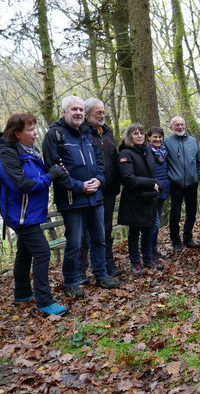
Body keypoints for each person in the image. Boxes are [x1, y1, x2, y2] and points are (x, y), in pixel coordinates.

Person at [42, 95, 120, 298]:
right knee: (75, 242)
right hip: (71, 199)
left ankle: (101, 275)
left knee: (99, 238)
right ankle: (71, 282)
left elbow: (100, 164)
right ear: (64, 112)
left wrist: (99, 181)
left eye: (80, 110)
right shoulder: (54, 135)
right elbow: (54, 168)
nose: (77, 113)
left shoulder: (87, 134)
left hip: (95, 196)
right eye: (73, 109)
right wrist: (78, 186)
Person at [0, 113, 68, 316]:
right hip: (21, 215)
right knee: (42, 252)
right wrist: (51, 175)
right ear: (17, 133)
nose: (35, 133)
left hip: (31, 213)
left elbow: (35, 176)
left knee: (24, 252)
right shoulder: (6, 155)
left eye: (35, 128)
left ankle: (22, 292)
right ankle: (44, 301)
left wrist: (50, 172)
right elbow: (23, 185)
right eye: (30, 130)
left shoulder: (29, 151)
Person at [78, 98, 123, 284]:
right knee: (87, 233)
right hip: (91, 189)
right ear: (87, 115)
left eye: (103, 111)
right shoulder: (84, 134)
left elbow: (115, 158)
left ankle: (108, 263)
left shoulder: (107, 133)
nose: (102, 115)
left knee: (107, 229)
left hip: (110, 188)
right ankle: (82, 270)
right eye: (98, 112)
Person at [118, 124, 164, 274]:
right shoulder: (125, 153)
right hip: (134, 200)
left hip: (149, 198)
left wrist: (157, 183)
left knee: (148, 229)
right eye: (135, 133)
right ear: (129, 136)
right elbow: (128, 179)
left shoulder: (147, 152)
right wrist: (152, 183)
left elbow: (152, 174)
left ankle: (148, 258)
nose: (139, 136)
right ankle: (135, 262)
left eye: (142, 133)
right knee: (134, 231)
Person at [164, 116, 200, 253]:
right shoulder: (166, 142)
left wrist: (198, 176)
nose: (180, 127)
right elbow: (163, 162)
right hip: (175, 184)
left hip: (192, 184)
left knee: (191, 213)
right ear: (171, 127)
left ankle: (188, 238)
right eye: (176, 125)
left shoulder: (193, 141)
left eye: (182, 124)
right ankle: (176, 242)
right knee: (175, 214)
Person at [147, 126, 170, 259]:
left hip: (163, 191)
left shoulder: (163, 152)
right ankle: (149, 250)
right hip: (151, 192)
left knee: (156, 223)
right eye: (155, 136)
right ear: (149, 137)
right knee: (153, 223)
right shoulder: (147, 152)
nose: (158, 139)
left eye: (160, 137)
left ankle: (153, 249)